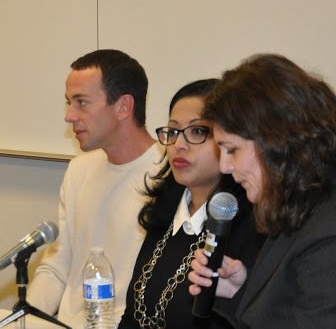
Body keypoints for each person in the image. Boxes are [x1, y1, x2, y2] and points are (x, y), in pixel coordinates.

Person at [188, 54, 336, 328]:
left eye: (232, 149)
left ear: (276, 140)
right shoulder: (299, 202)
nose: (224, 166)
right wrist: (242, 293)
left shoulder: (328, 230)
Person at [27, 49, 163, 327]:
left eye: (81, 103)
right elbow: (56, 267)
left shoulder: (168, 175)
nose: (69, 116)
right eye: (68, 103)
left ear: (124, 106)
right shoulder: (79, 169)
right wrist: (23, 320)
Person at [118, 79, 262, 329]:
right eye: (173, 132)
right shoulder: (163, 214)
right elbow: (132, 316)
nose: (178, 145)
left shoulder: (252, 228)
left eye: (197, 131)